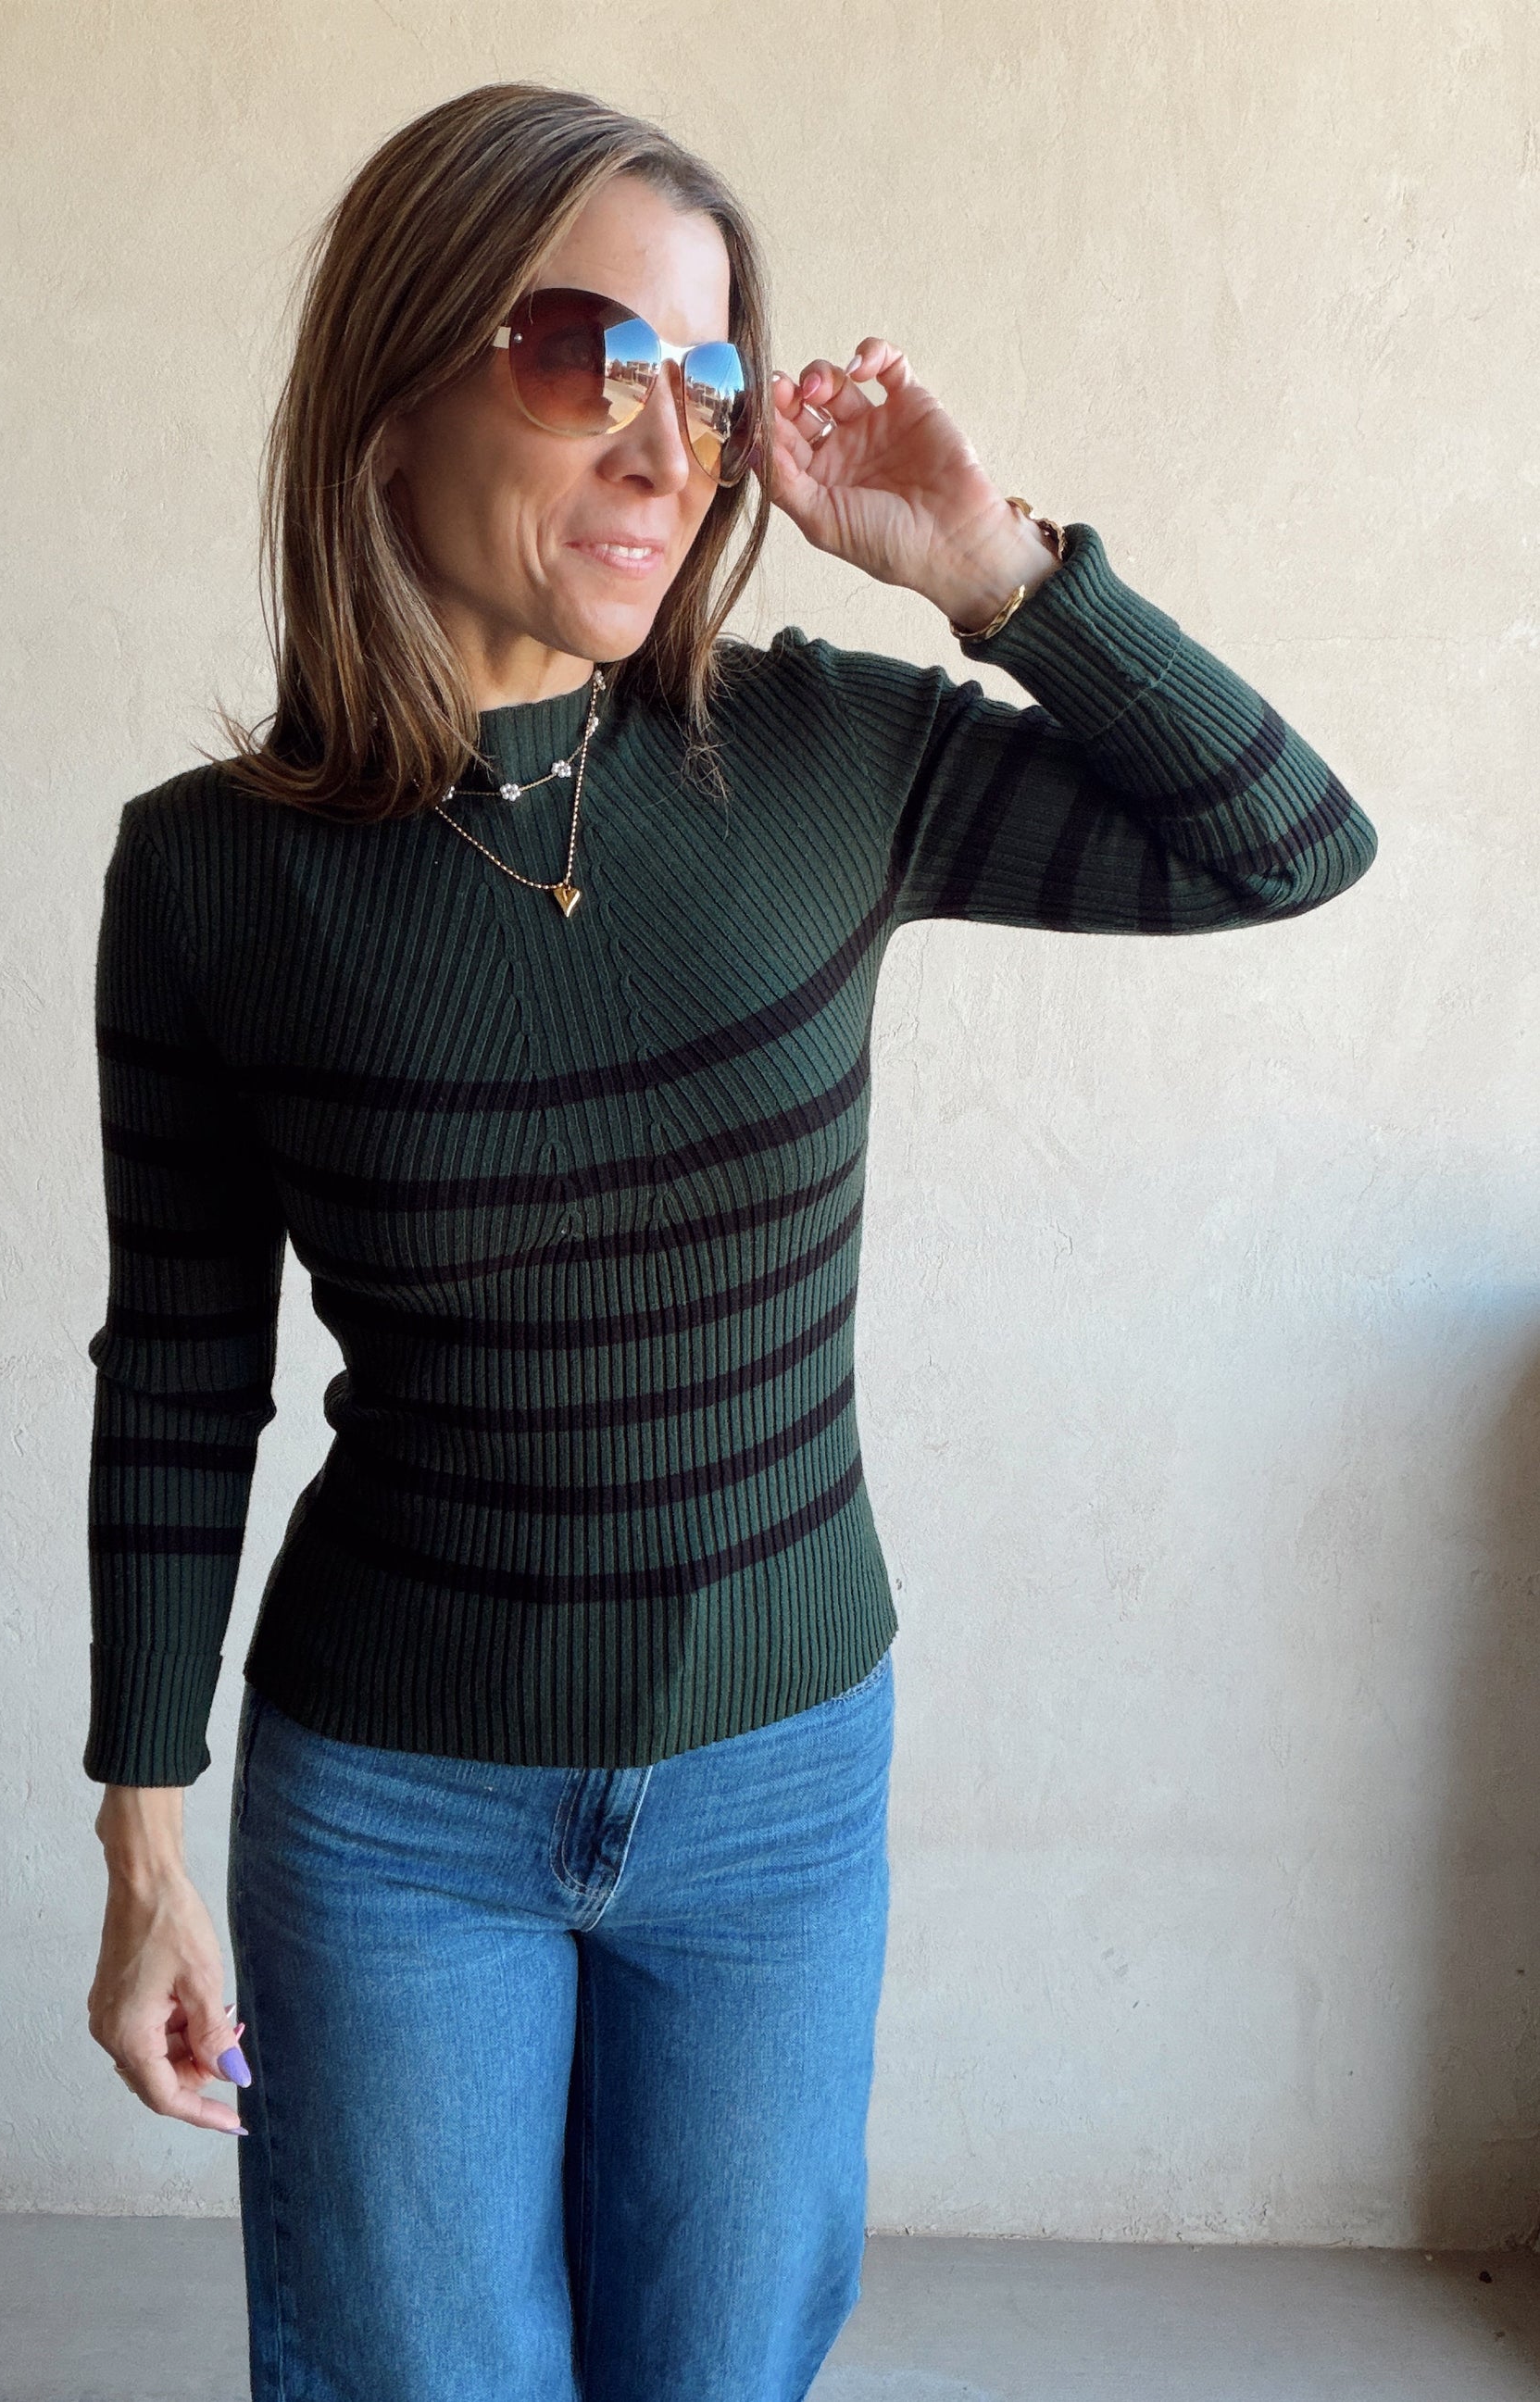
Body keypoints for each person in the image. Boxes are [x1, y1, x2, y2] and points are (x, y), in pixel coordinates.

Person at [81, 80, 1377, 2402]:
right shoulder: (210, 875)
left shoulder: (820, 761)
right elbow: (182, 1371)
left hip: (777, 1782)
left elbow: (1282, 842)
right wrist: (143, 1841)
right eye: (584, 353)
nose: (665, 443)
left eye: (702, 377)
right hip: (396, 1806)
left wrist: (995, 571)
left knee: (721, 2375)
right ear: (395, 387)